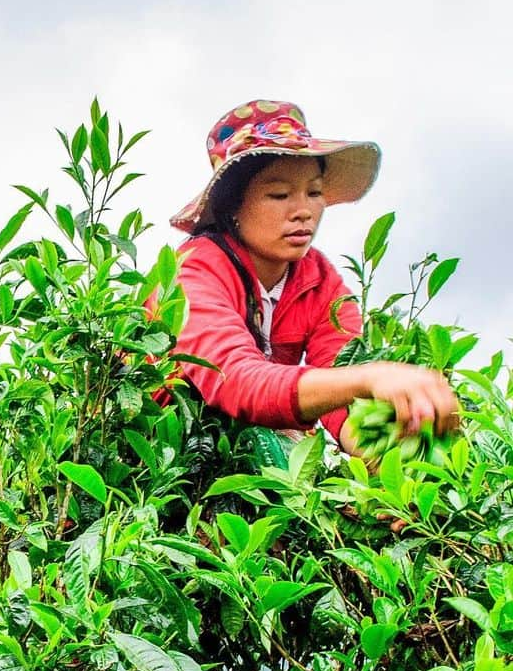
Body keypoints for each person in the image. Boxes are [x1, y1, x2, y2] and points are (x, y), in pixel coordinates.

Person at [165, 100, 459, 450]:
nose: (304, 211)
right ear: (233, 207)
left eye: (314, 192)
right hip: (176, 449)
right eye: (279, 194)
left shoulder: (322, 285)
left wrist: (401, 453)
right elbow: (236, 381)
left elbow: (345, 408)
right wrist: (369, 377)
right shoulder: (196, 269)